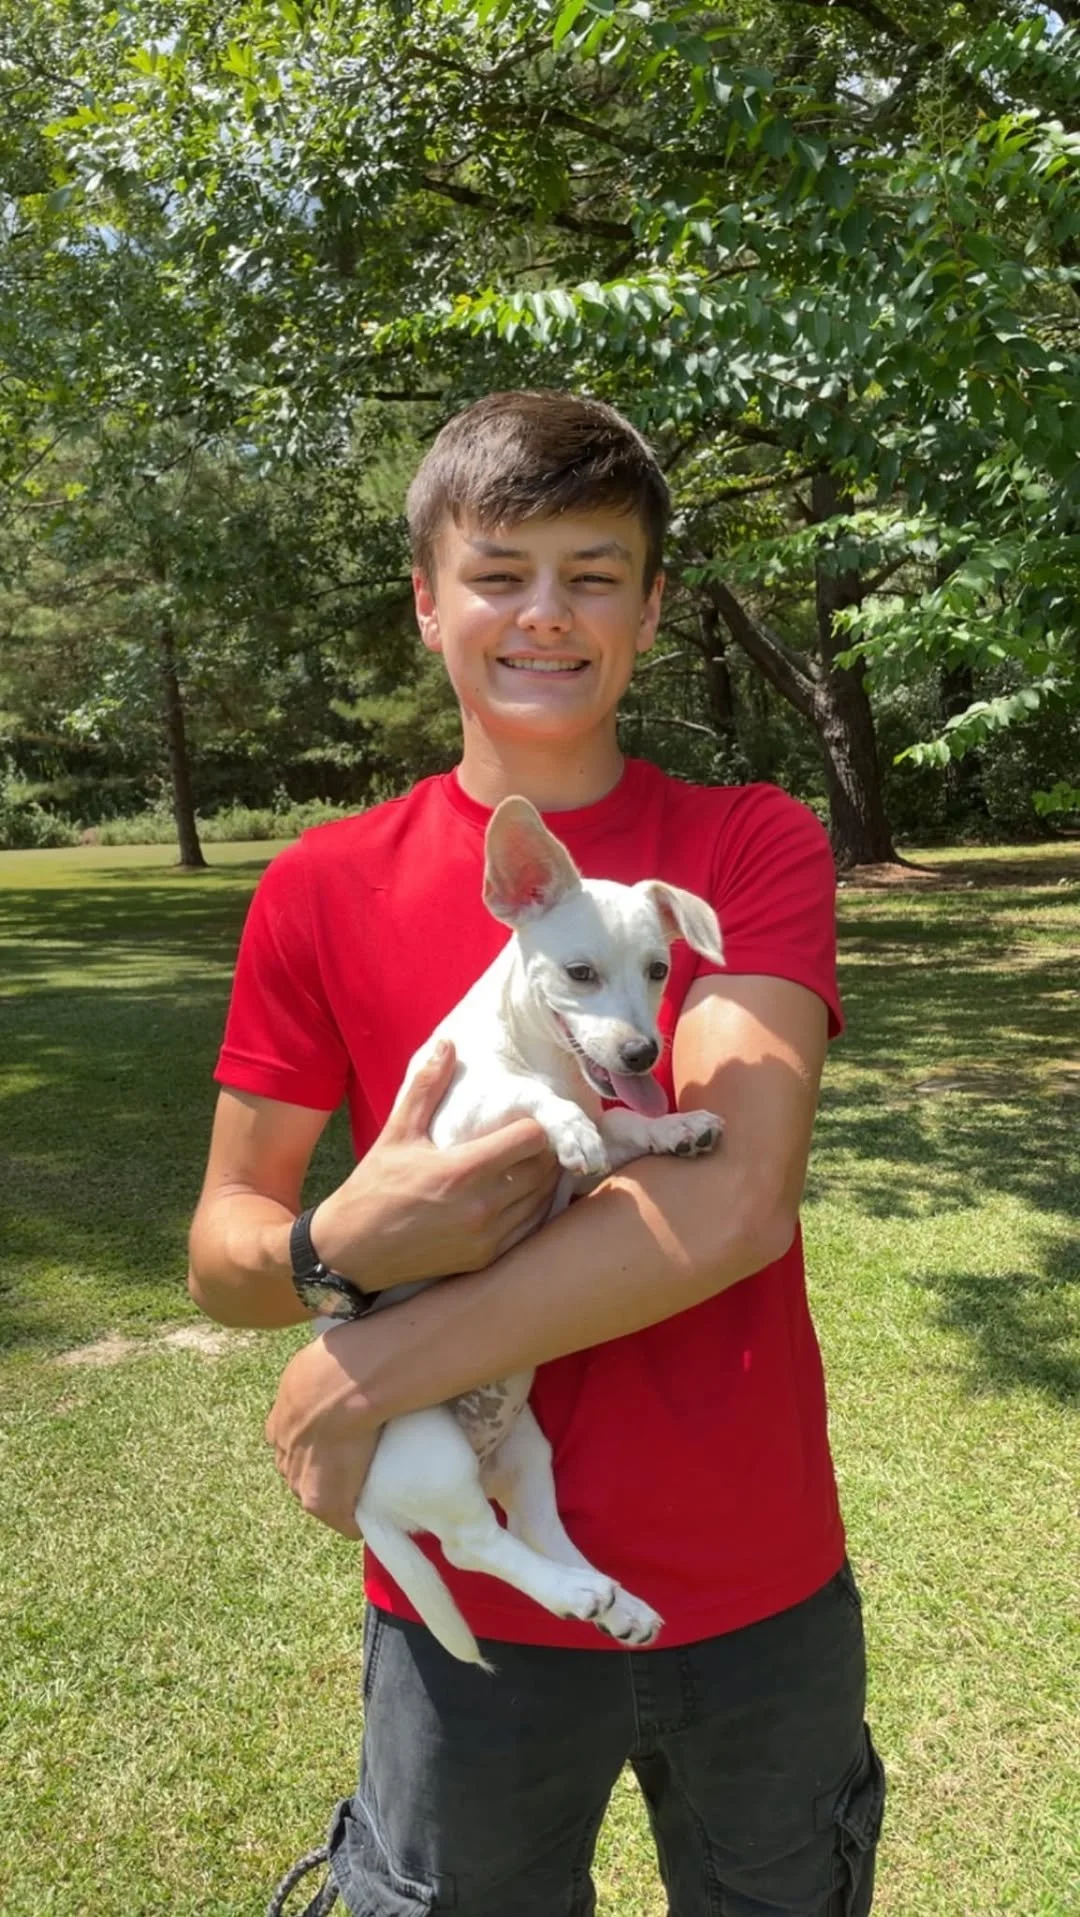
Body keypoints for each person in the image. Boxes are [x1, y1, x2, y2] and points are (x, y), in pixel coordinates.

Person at [188, 390, 885, 1917]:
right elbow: (226, 1245)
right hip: (475, 1624)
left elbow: (732, 1196)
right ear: (429, 604)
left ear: (648, 611)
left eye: (594, 571)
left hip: (750, 1580)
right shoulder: (321, 886)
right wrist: (331, 1250)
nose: (545, 614)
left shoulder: (745, 845)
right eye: (500, 571)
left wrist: (356, 1366)